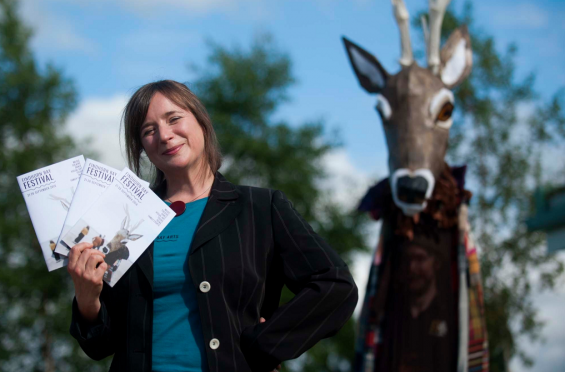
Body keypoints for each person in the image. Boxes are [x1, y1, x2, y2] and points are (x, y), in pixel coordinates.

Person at [66, 80, 358, 372]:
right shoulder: (124, 218)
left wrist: (266, 343)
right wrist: (86, 298)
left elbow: (335, 285)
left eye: (174, 119)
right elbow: (99, 346)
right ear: (142, 147)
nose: (165, 135)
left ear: (201, 121)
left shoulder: (260, 208)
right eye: (149, 130)